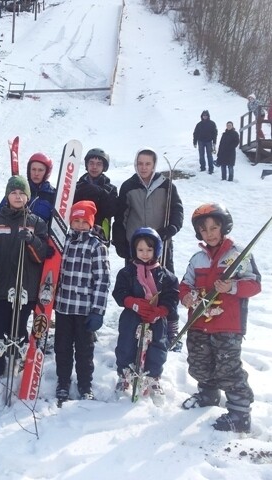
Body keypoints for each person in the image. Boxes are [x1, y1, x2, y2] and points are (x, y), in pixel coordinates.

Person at [179, 203, 261, 433]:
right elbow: (185, 284)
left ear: (223, 226)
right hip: (198, 323)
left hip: (228, 325)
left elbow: (254, 284)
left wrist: (232, 286)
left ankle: (240, 412)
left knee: (228, 368)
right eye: (204, 230)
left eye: (214, 228)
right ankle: (208, 394)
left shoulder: (238, 255)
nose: (210, 233)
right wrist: (186, 297)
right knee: (199, 363)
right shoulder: (197, 258)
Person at [112, 148, 183, 347]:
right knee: (136, 287)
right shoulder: (129, 186)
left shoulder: (166, 185)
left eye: (147, 164)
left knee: (167, 286)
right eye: (140, 163)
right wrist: (120, 242)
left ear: (154, 165)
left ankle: (170, 328)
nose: (143, 167)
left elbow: (177, 209)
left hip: (161, 244)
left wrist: (172, 227)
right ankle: (137, 327)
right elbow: (120, 217)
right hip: (135, 247)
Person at [0, 176, 47, 378]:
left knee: (19, 328)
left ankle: (17, 366)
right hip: (0, 287)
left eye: (21, 193)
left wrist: (32, 241)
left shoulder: (37, 223)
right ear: (7, 195)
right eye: (13, 193)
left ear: (27, 197)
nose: (18, 197)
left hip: (25, 287)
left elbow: (42, 256)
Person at [112, 228, 179, 405]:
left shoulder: (166, 276)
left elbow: (172, 297)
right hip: (132, 315)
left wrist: (162, 310)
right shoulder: (127, 273)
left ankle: (153, 377)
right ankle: (125, 373)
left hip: (156, 318)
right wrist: (132, 302)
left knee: (158, 345)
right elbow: (119, 293)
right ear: (134, 250)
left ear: (156, 250)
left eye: (149, 250)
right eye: (140, 250)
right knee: (126, 342)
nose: (144, 254)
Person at [53, 201, 110, 403]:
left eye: (83, 221)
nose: (78, 225)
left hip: (85, 310)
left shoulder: (97, 246)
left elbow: (102, 280)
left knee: (85, 350)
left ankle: (85, 384)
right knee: (62, 347)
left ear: (90, 223)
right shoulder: (63, 243)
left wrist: (98, 311)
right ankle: (63, 382)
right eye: (75, 221)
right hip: (63, 307)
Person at [0, 152, 56, 223]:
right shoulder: (19, 187)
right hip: (15, 231)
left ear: (47, 172)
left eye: (40, 170)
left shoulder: (53, 195)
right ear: (29, 170)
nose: (36, 173)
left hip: (39, 232)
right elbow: (1, 210)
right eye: (33, 169)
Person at [73, 148, 120, 236]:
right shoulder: (77, 186)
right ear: (87, 165)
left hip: (100, 233)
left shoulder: (110, 189)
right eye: (91, 163)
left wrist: (101, 193)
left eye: (99, 164)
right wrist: (80, 193)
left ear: (104, 167)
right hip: (77, 232)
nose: (94, 167)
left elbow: (111, 211)